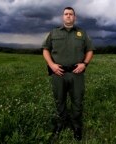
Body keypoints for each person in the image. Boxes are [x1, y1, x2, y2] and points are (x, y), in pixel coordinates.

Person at [42, 7, 95, 141]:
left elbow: (90, 50)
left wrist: (85, 64)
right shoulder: (53, 32)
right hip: (58, 73)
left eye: (71, 14)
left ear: (74, 17)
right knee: (59, 100)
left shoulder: (82, 33)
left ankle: (76, 126)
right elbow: (45, 50)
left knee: (77, 101)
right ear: (63, 17)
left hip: (76, 74)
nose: (68, 16)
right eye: (66, 14)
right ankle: (61, 123)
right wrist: (52, 65)